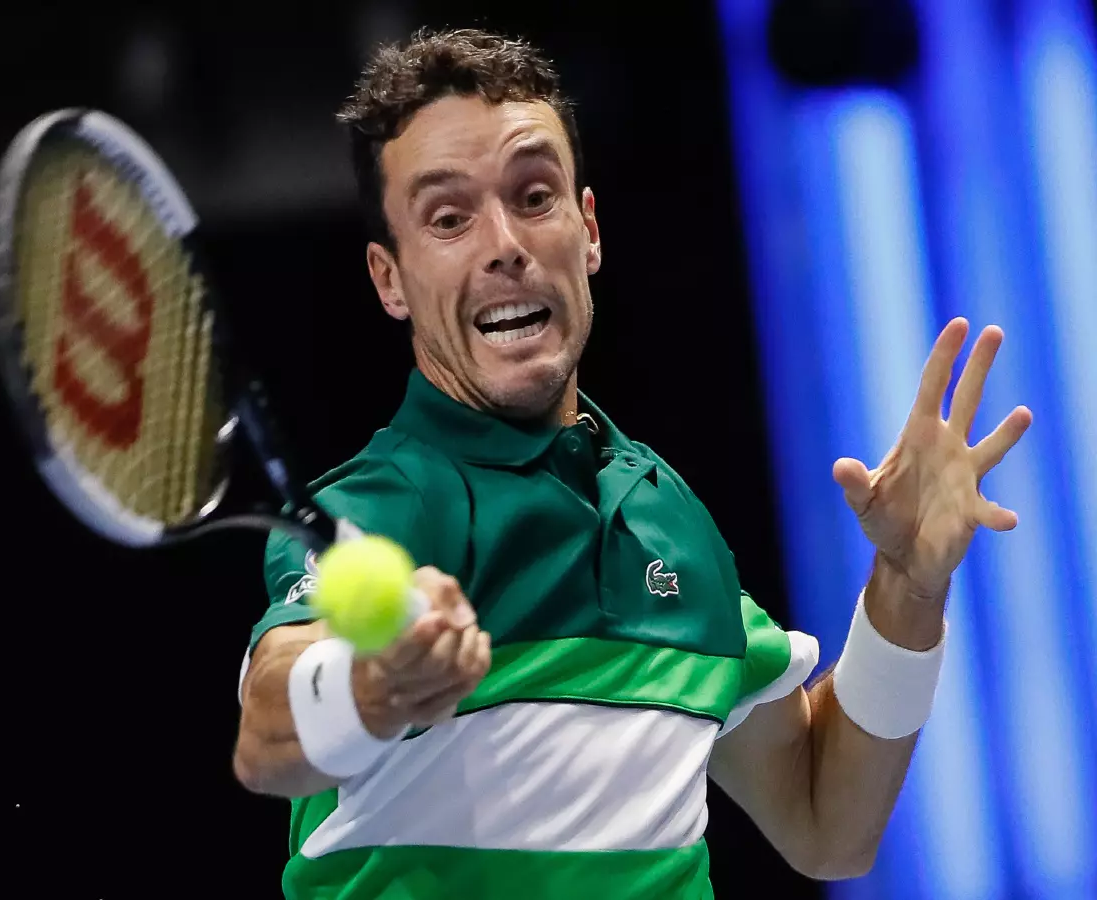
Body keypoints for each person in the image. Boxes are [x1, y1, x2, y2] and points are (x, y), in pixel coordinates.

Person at [232, 28, 1032, 899]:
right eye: (449, 217)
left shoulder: (667, 519)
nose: (504, 242)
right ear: (390, 280)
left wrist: (908, 582)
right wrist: (375, 684)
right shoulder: (377, 507)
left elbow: (827, 825)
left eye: (534, 196)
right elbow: (269, 736)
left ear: (590, 231)